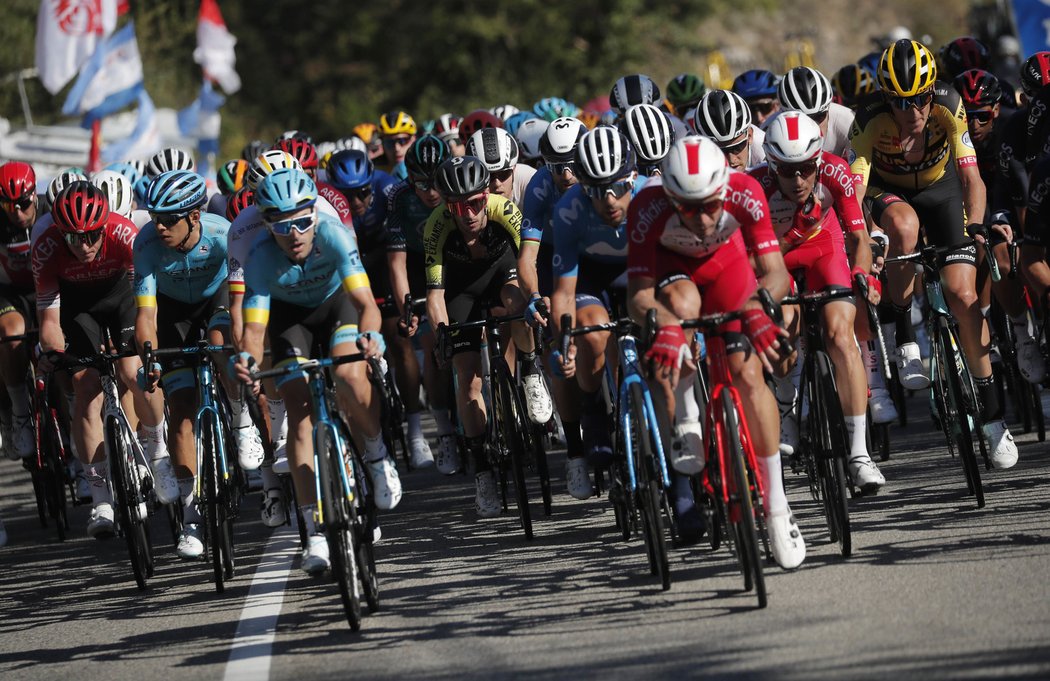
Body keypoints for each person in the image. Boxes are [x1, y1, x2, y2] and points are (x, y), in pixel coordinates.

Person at [626, 135, 805, 569]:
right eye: (688, 208)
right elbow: (637, 295)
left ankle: (778, 507)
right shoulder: (646, 208)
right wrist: (665, 326)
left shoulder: (745, 191)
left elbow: (775, 273)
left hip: (729, 269)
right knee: (681, 311)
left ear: (724, 189)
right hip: (676, 275)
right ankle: (688, 412)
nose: (703, 218)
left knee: (747, 374)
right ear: (670, 197)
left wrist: (760, 309)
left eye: (710, 205)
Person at [849, 38, 1017, 468]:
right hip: (892, 195)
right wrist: (866, 235)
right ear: (887, 98)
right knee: (903, 229)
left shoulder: (949, 102)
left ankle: (994, 418)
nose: (914, 113)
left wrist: (977, 228)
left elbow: (971, 178)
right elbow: (857, 188)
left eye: (920, 99)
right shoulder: (867, 118)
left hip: (942, 191)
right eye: (902, 103)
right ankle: (904, 335)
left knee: (963, 298)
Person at [233, 168, 400, 574]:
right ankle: (314, 529)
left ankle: (377, 457)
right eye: (282, 225)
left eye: (303, 221)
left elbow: (366, 306)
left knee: (348, 374)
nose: (295, 234)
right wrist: (250, 362)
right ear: (267, 224)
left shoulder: (333, 235)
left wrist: (372, 339)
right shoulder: (258, 256)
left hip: (336, 308)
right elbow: (255, 329)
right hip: (291, 322)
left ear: (314, 214)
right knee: (300, 417)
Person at [753, 111, 885, 491]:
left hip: (824, 250)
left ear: (818, 160)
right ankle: (785, 404)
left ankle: (860, 453)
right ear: (771, 164)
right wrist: (792, 236)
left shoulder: (835, 170)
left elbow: (858, 239)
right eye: (787, 171)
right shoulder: (754, 187)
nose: (798, 180)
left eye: (806, 169)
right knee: (784, 334)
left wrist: (864, 276)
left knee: (841, 337)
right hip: (775, 259)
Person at [32, 182, 171, 538]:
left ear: (105, 226)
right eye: (74, 239)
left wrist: (144, 344)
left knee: (132, 370)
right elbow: (49, 322)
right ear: (60, 232)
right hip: (78, 306)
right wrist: (53, 354)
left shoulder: (125, 235)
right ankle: (100, 500)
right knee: (86, 387)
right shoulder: (45, 246)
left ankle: (157, 449)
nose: (84, 246)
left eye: (92, 236)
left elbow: (145, 304)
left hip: (121, 295)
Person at [134, 170, 252, 557]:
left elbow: (241, 297)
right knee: (182, 413)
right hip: (172, 314)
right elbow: (146, 315)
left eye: (170, 219)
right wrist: (149, 356)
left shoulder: (223, 234)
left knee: (220, 343)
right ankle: (191, 516)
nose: (161, 226)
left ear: (195, 216)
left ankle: (239, 417)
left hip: (215, 301)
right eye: (155, 217)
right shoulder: (147, 243)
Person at [425, 156, 550, 518]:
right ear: (448, 207)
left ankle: (529, 372)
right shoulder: (437, 226)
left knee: (516, 301)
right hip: (461, 289)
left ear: (486, 197)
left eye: (476, 203)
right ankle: (482, 471)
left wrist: (535, 299)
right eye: (457, 207)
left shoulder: (505, 209)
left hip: (502, 274)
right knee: (468, 380)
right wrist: (442, 335)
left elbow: (528, 266)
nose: (467, 214)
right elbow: (435, 297)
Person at [325, 149, 433, 468]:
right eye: (347, 195)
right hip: (347, 266)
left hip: (384, 260)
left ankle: (416, 432)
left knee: (400, 342)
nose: (356, 201)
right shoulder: (324, 201)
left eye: (361, 192)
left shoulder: (388, 189)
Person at [387, 135, 458, 472]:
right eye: (421, 183)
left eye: (436, 182)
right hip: (416, 263)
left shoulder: (458, 183)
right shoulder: (399, 198)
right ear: (408, 178)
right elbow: (397, 264)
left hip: (454, 256)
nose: (431, 191)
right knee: (431, 342)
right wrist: (407, 308)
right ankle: (440, 432)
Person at [0, 161, 38, 459]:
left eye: (24, 203)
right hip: (7, 293)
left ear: (35, 195)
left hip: (45, 289)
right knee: (12, 334)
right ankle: (19, 414)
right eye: (8, 205)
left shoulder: (52, 212)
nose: (17, 212)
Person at [693, 89, 767, 171]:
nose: (731, 160)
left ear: (750, 136)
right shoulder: (694, 153)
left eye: (737, 147)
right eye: (720, 151)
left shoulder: (764, 151)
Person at [465, 127, 537, 208]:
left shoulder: (531, 181)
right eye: (489, 177)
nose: (497, 184)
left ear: (514, 169)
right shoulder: (466, 190)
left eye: (503, 174)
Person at [379, 110, 418, 180]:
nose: (397, 148)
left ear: (414, 139)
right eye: (389, 143)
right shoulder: (376, 172)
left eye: (402, 141)